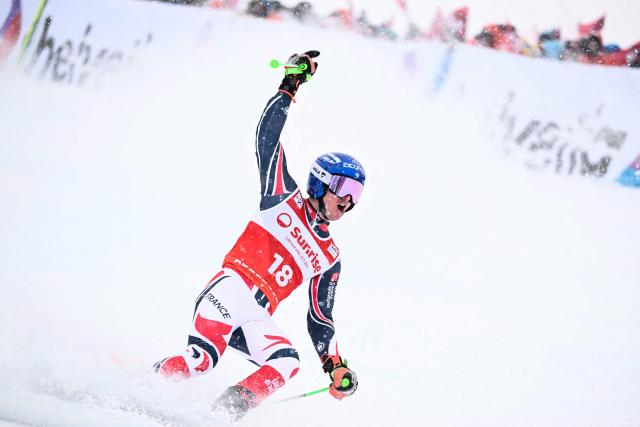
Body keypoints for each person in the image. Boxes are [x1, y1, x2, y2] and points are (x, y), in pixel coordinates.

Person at [154, 50, 364, 420]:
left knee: (286, 362)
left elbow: (320, 317)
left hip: (255, 314)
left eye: (357, 195)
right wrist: (290, 85)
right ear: (321, 181)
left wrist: (333, 365)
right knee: (202, 360)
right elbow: (267, 136)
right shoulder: (282, 194)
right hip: (230, 289)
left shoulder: (329, 256)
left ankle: (219, 416)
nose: (348, 202)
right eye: (344, 188)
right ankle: (139, 389)